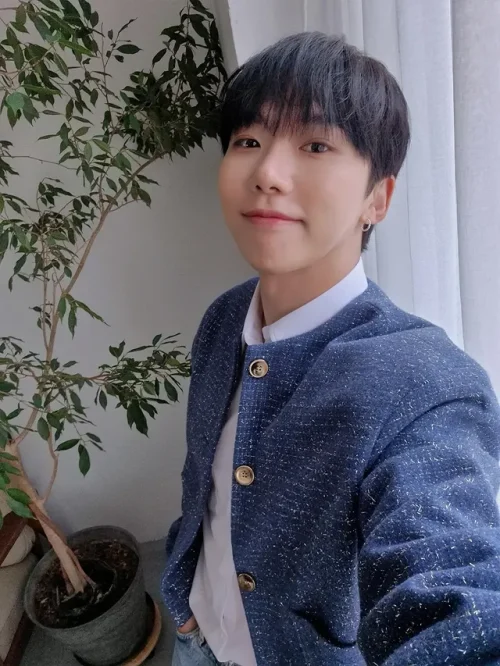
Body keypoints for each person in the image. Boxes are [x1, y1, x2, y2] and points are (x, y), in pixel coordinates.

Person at [162, 32, 500, 666]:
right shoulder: (223, 318)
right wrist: (180, 594)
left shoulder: (427, 386)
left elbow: (456, 594)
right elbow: (204, 487)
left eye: (316, 145)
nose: (267, 174)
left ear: (378, 197)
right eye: (248, 141)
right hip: (193, 635)